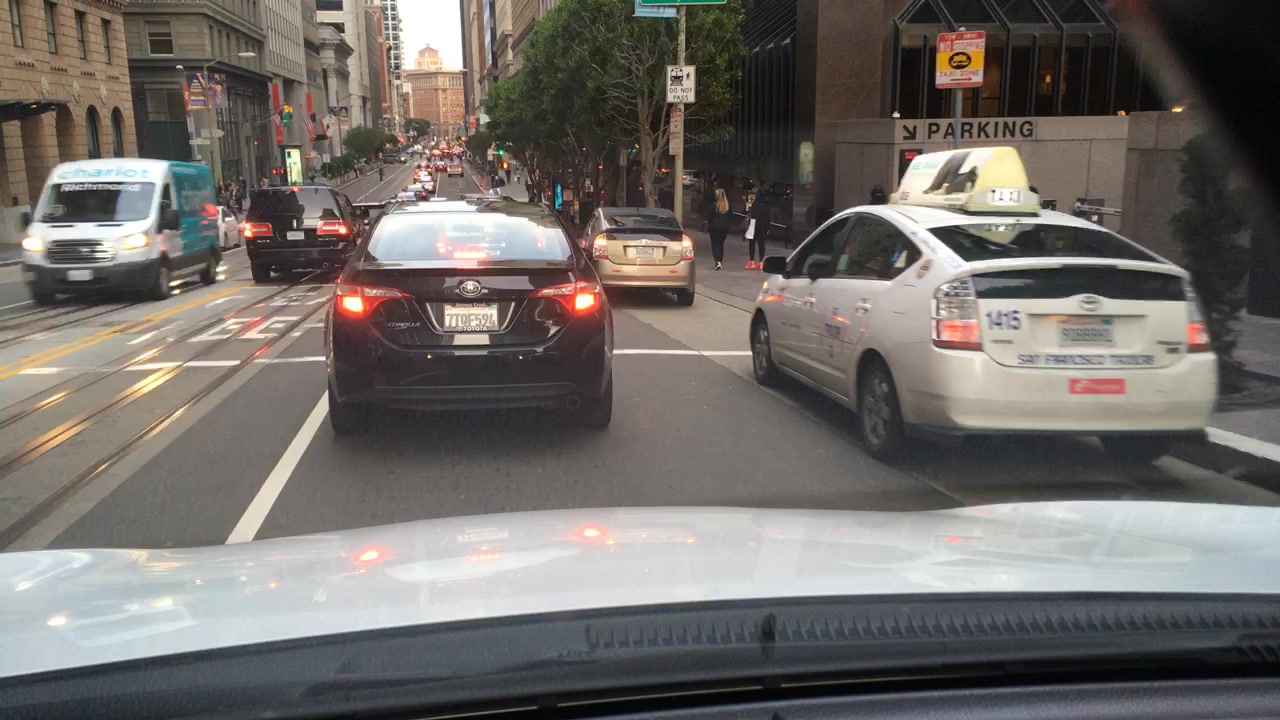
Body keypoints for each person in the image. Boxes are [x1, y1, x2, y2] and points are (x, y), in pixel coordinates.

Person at [745, 190, 771, 269]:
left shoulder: (755, 204)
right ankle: (761, 262)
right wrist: (767, 228)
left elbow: (753, 216)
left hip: (754, 225)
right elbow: (768, 218)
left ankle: (752, 261)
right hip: (763, 226)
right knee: (761, 244)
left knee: (752, 244)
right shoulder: (767, 205)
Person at [708, 188, 731, 271]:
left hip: (715, 227)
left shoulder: (714, 205)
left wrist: (709, 223)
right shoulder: (727, 206)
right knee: (721, 244)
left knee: (715, 245)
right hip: (725, 227)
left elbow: (710, 217)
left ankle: (717, 261)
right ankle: (720, 261)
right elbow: (731, 216)